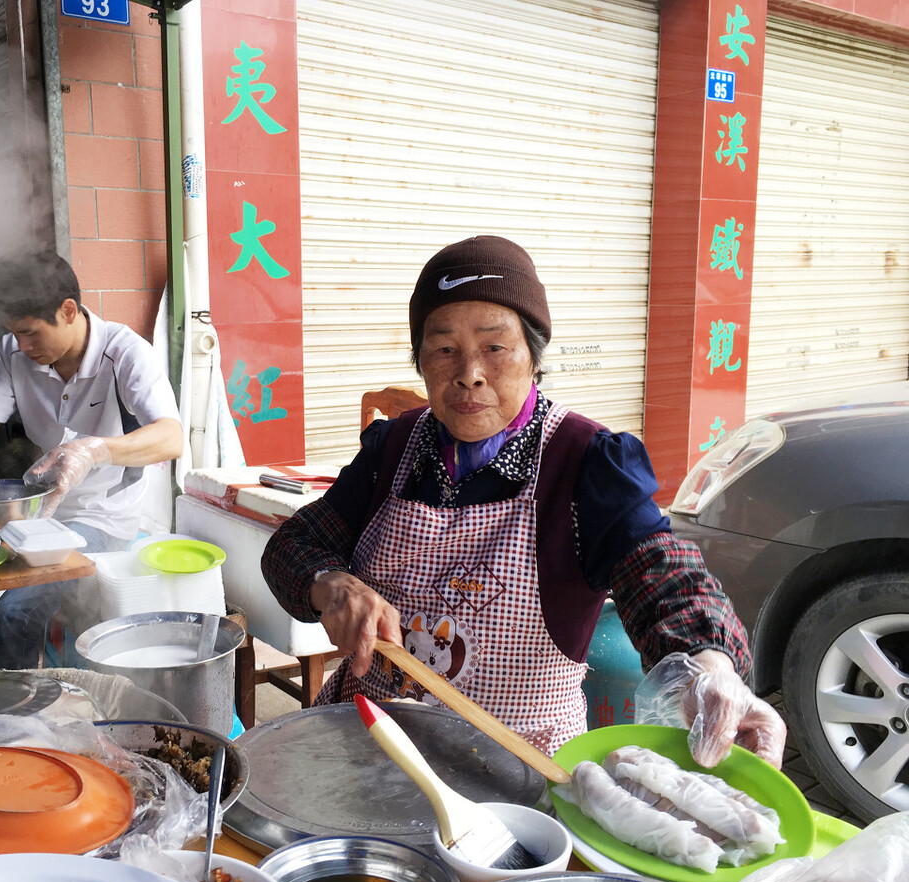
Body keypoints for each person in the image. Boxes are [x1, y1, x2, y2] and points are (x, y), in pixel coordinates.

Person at [261, 235, 786, 768]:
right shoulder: (393, 448)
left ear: (534, 355)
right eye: (444, 348)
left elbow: (662, 575)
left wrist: (710, 666)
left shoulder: (584, 462)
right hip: (370, 743)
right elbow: (293, 544)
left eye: (494, 346)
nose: (469, 372)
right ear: (419, 359)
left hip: (513, 770)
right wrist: (330, 582)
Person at [0, 250, 183, 670]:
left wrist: (95, 449)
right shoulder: (13, 353)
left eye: (30, 334)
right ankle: (16, 708)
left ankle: (10, 724)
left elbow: (171, 438)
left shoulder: (125, 354)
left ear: (68, 311)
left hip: (103, 518)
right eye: (13, 334)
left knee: (13, 613)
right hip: (40, 516)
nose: (22, 347)